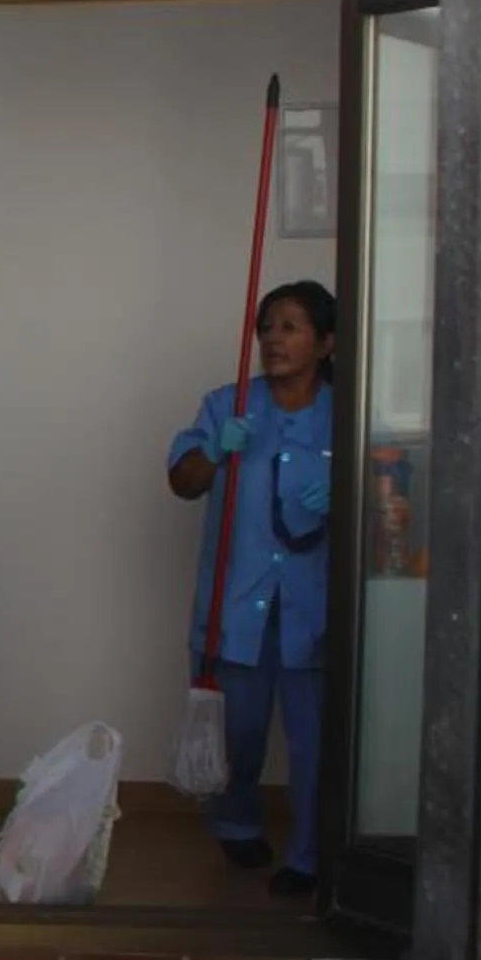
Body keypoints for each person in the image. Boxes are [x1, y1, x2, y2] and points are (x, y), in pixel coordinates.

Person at [166, 279, 338, 898]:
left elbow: (389, 499)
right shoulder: (227, 405)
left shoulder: (349, 411)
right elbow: (182, 482)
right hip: (235, 609)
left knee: (315, 742)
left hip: (314, 612)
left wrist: (343, 499)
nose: (273, 338)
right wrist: (214, 451)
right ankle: (235, 820)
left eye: (291, 326)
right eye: (267, 326)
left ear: (326, 342)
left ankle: (311, 852)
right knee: (238, 732)